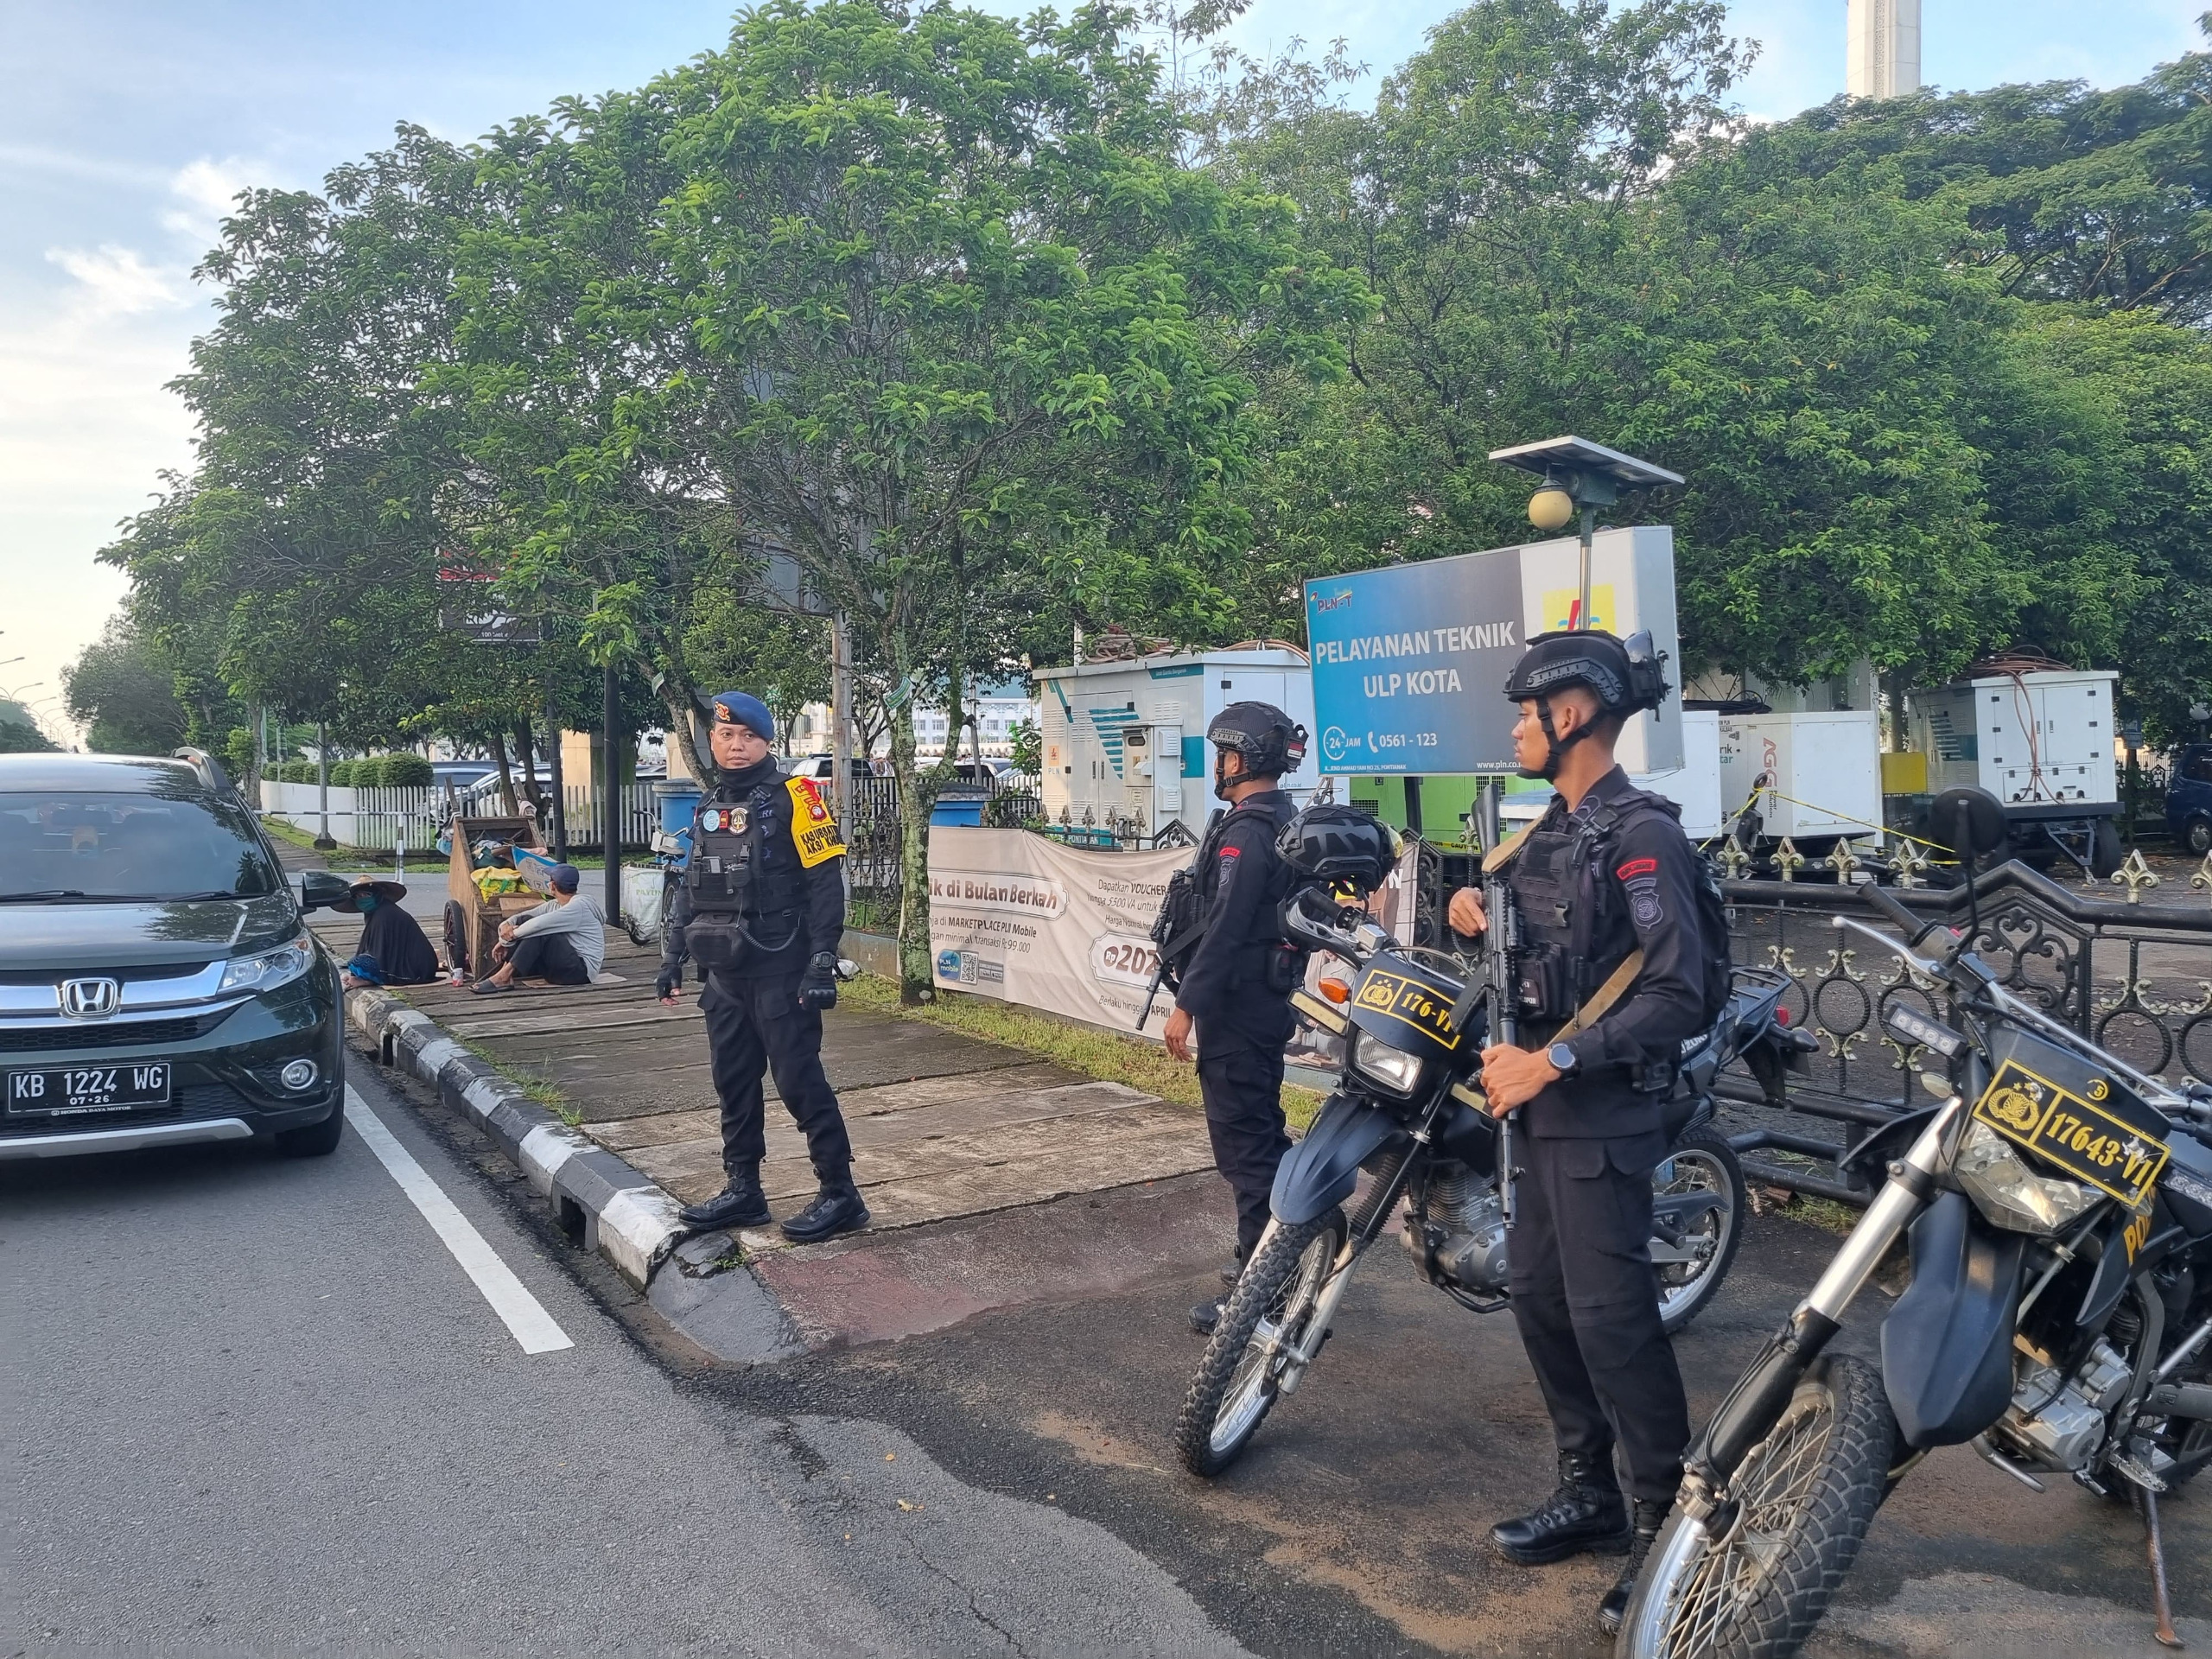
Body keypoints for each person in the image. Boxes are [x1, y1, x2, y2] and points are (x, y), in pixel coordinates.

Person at [1443, 628, 1713, 1636]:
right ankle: (1588, 1491)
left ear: (1572, 715)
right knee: (1539, 1298)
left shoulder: (1644, 836)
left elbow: (1679, 991)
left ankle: (1662, 1529)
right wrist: (1472, 903)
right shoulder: (1543, 832)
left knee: (1612, 1320)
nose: (1515, 728)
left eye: (1525, 712)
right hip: (1539, 1113)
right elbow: (1537, 941)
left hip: (1599, 1110)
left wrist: (1552, 1060)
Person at [657, 691, 864, 1244]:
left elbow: (826, 883)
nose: (736, 745)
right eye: (726, 736)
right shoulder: (711, 802)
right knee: (734, 1081)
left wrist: (822, 960)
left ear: (767, 742)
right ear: (713, 742)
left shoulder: (799, 797)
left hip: (782, 964)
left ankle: (841, 1194)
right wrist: (671, 957)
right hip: (724, 971)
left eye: (748, 736)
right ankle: (743, 1189)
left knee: (798, 1081)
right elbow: (690, 886)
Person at [1164, 701, 1308, 1337]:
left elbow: (1224, 928)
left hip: (1238, 1011)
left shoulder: (1251, 831)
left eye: (1223, 754)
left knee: (1248, 1151)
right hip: (1258, 1006)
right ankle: (1270, 1259)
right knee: (1260, 1137)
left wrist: (1186, 1005)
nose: (1217, 766)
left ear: (1242, 759)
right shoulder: (1278, 819)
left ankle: (1263, 1291)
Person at [473, 863, 603, 992]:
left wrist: (505, 941)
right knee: (525, 921)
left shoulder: (578, 907)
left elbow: (538, 925)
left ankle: (503, 976)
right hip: (561, 967)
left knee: (541, 931)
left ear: (552, 886)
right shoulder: (554, 904)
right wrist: (506, 927)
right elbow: (521, 917)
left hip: (580, 972)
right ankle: (505, 974)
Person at [336, 876, 440, 989]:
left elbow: (379, 952)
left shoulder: (384, 915)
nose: (361, 899)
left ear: (377, 895)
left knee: (361, 963)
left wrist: (364, 976)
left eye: (365, 895)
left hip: (416, 967)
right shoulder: (377, 913)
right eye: (358, 897)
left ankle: (368, 980)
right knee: (356, 963)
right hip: (412, 963)